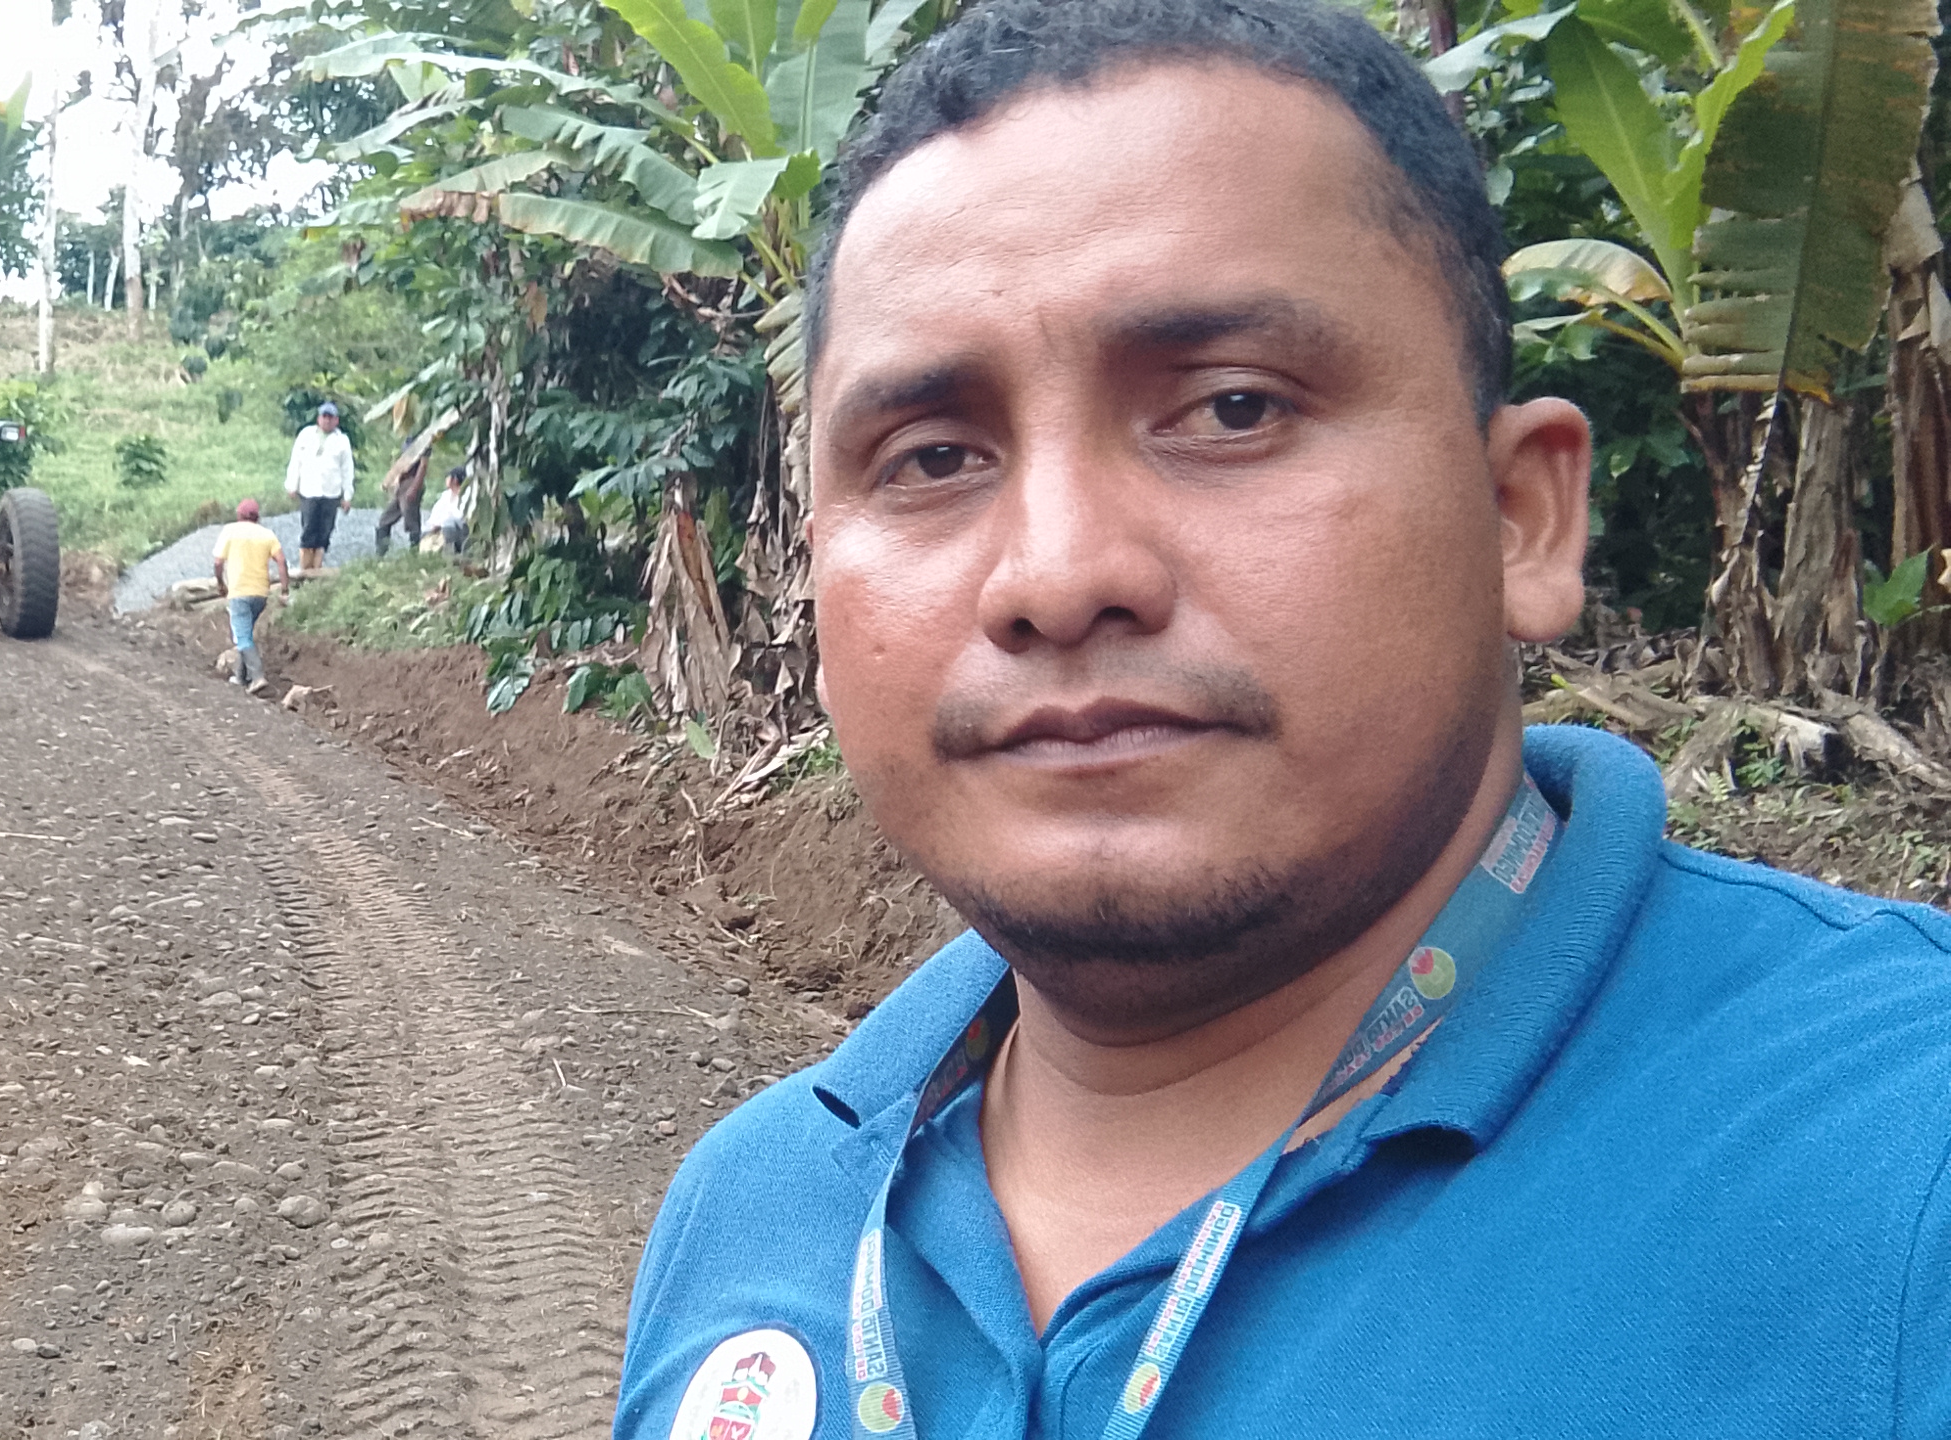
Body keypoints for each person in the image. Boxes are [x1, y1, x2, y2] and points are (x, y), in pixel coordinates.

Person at [617, 2, 1951, 1437]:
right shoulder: (755, 1211)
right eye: (933, 457)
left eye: (1233, 409)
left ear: (1518, 516)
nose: (1056, 576)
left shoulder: (1897, 1155)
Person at [211, 498, 289, 690]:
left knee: (242, 637)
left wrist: (221, 583)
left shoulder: (230, 531)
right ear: (257, 517)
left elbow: (218, 562)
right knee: (245, 633)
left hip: (239, 592)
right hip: (260, 593)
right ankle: (241, 677)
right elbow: (281, 561)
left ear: (239, 515)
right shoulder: (267, 534)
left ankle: (257, 677)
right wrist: (284, 589)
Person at [284, 401, 355, 571]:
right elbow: (296, 461)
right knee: (309, 529)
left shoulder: (342, 441)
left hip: (331, 492)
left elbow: (347, 469)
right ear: (319, 418)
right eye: (324, 417)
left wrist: (347, 495)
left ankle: (317, 569)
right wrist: (292, 484)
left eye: (331, 418)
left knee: (325, 531)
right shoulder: (306, 435)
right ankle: (305, 568)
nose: (327, 421)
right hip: (309, 490)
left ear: (336, 420)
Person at [375, 447, 429, 555]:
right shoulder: (410, 441)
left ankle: (414, 554)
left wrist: (414, 487)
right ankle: (380, 553)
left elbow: (423, 465)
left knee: (412, 521)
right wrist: (392, 480)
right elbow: (402, 464)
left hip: (412, 481)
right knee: (385, 519)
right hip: (403, 483)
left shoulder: (424, 443)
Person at [422, 465, 471, 555]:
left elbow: (460, 516)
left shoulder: (466, 495)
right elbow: (436, 511)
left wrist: (441, 523)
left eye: (448, 477)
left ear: (455, 479)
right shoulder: (446, 495)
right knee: (426, 528)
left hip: (460, 529)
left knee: (449, 522)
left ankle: (452, 550)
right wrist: (434, 524)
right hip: (441, 526)